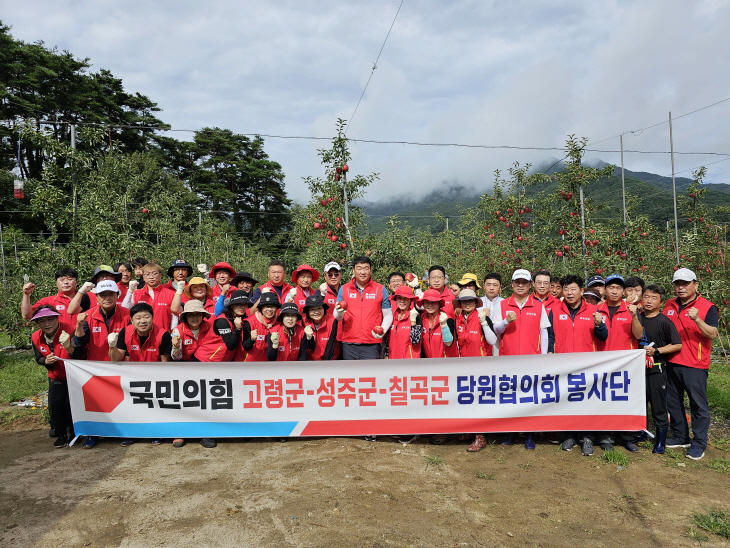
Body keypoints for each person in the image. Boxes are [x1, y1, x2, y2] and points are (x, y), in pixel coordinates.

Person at [491, 269, 552, 451]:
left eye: (524, 283)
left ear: (529, 285)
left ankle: (529, 434)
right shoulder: (502, 305)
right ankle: (511, 432)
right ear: (511, 284)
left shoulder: (538, 305)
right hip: (508, 359)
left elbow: (544, 332)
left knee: (530, 398)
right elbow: (496, 330)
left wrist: (543, 358)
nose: (520, 285)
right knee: (510, 397)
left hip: (531, 360)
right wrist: (505, 322)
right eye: (517, 282)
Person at [663, 268, 718, 460]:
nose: (681, 287)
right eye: (677, 284)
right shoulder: (669, 305)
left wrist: (697, 319)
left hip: (695, 364)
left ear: (696, 284)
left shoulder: (707, 307)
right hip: (672, 361)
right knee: (673, 402)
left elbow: (711, 334)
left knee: (697, 405)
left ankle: (699, 442)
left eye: (685, 284)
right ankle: (680, 436)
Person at [71, 279, 131, 449]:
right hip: (96, 365)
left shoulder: (127, 314)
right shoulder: (88, 315)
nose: (107, 298)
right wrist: (78, 325)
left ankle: (124, 432)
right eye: (102, 295)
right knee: (96, 402)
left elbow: (131, 337)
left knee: (122, 401)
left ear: (117, 296)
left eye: (111, 294)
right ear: (96, 297)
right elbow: (80, 342)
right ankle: (94, 434)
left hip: (120, 365)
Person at [553, 275, 609, 456]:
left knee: (587, 402)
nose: (569, 293)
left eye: (573, 289)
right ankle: (568, 435)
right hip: (563, 365)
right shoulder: (554, 310)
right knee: (566, 401)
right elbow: (549, 336)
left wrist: (600, 324)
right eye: (566, 289)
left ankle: (587, 437)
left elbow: (603, 337)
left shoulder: (594, 310)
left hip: (587, 365)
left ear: (582, 291)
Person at [108, 302, 172, 447]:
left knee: (155, 407)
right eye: (138, 318)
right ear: (131, 320)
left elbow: (165, 363)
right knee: (133, 407)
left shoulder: (163, 334)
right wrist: (112, 346)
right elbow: (116, 358)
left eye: (146, 317)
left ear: (152, 317)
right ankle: (132, 434)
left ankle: (156, 433)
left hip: (156, 378)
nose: (142, 321)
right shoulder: (125, 332)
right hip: (132, 378)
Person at [630, 284, 682, 455]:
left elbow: (677, 345)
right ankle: (642, 433)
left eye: (654, 298)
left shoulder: (664, 322)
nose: (649, 301)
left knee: (658, 406)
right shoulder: (637, 317)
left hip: (656, 369)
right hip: (637, 369)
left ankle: (660, 440)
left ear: (661, 301)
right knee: (640, 403)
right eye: (646, 296)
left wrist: (657, 351)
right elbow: (636, 336)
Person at [595, 274, 638, 452]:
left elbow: (638, 335)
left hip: (625, 363)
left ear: (623, 291)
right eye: (611, 287)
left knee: (624, 400)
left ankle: (627, 437)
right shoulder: (596, 309)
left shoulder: (632, 309)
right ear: (605, 290)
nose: (614, 291)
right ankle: (605, 436)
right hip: (602, 360)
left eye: (618, 288)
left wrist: (635, 317)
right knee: (603, 399)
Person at [30, 306, 81, 448]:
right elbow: (38, 357)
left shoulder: (70, 330)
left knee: (71, 404)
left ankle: (74, 433)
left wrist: (68, 346)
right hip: (56, 376)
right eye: (41, 321)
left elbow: (79, 355)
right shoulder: (36, 337)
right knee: (56, 404)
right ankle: (60, 434)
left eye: (50, 319)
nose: (46, 324)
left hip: (74, 376)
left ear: (58, 318)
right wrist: (45, 361)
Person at [452, 288, 497, 451]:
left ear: (476, 302)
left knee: (479, 401)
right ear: (461, 304)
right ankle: (471, 431)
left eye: (471, 300)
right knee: (468, 400)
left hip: (482, 366)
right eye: (464, 301)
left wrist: (484, 321)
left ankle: (481, 436)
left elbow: (492, 340)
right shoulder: (458, 319)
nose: (468, 303)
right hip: (464, 366)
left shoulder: (482, 317)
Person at [333, 255, 392, 360]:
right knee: (350, 375)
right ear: (353, 270)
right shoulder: (344, 289)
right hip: (349, 343)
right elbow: (337, 316)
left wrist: (382, 330)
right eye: (359, 268)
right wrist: (339, 312)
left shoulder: (380, 289)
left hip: (372, 343)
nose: (363, 272)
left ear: (370, 270)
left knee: (370, 375)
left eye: (366, 268)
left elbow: (388, 315)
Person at [193, 290, 250, 364]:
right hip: (206, 360)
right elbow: (231, 345)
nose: (242, 307)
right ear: (232, 305)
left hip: (222, 362)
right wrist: (238, 328)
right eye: (239, 304)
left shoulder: (240, 319)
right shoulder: (222, 321)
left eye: (245, 304)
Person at [21, 267, 90, 324]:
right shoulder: (48, 301)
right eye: (62, 280)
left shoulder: (88, 298)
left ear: (76, 282)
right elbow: (27, 315)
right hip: (59, 339)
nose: (66, 282)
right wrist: (26, 294)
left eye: (70, 279)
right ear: (56, 283)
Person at [123, 263, 177, 333]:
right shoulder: (137, 294)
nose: (151, 277)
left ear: (160, 276)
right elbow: (124, 309)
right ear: (143, 276)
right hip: (141, 335)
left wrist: (173, 333)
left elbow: (174, 317)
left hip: (163, 334)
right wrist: (130, 291)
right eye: (147, 274)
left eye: (154, 274)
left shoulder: (171, 294)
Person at [418, 289, 458, 359]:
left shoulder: (448, 319)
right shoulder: (421, 318)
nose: (430, 305)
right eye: (427, 302)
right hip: (429, 363)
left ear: (439, 303)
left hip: (446, 364)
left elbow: (448, 343)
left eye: (433, 302)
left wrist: (443, 325)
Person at [241, 292, 281, 361]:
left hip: (270, 365)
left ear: (277, 307)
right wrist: (251, 339)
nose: (269, 309)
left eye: (272, 306)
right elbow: (245, 346)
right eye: (266, 306)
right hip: (251, 364)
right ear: (261, 308)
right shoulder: (250, 322)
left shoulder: (279, 322)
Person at [387, 286, 422, 359]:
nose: (402, 301)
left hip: (409, 361)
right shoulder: (392, 316)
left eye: (405, 298)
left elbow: (415, 341)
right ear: (396, 299)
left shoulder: (416, 316)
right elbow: (388, 340)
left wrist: (413, 322)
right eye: (399, 298)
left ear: (410, 300)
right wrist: (386, 355)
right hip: (393, 359)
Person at [302, 293, 340, 361]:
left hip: (329, 360)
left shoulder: (332, 321)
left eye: (319, 308)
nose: (316, 312)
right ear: (307, 311)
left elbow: (331, 346)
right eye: (312, 309)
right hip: (310, 361)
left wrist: (325, 364)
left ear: (324, 309)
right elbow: (304, 347)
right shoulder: (303, 322)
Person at [481, 272, 504, 355]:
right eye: (488, 285)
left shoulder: (504, 303)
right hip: (481, 345)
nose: (491, 288)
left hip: (499, 344)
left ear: (500, 287)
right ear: (484, 286)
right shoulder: (477, 304)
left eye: (495, 285)